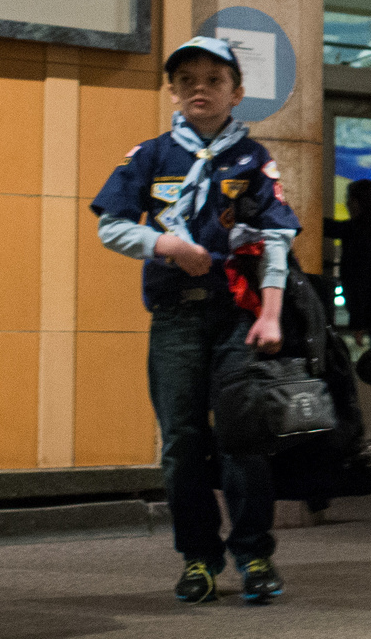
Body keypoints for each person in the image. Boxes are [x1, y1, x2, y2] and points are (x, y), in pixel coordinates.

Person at [90, 36, 301, 606]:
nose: (199, 89)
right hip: (176, 318)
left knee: (243, 437)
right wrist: (164, 245)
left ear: (236, 92)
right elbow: (110, 224)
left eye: (213, 80)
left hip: (238, 316)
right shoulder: (151, 156)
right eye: (187, 81)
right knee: (182, 441)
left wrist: (274, 315)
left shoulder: (252, 160)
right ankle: (199, 558)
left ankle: (254, 552)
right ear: (172, 91)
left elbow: (275, 238)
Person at [327, 178, 371, 342]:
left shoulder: (357, 231)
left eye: (348, 198)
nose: (346, 203)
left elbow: (361, 278)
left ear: (356, 201)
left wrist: (358, 321)